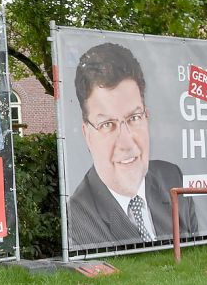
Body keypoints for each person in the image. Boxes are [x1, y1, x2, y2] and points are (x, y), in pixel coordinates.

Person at [67, 42, 197, 248]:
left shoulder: (172, 177)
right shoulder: (78, 216)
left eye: (134, 117)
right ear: (87, 135)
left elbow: (194, 256)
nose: (126, 143)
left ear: (147, 117)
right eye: (107, 124)